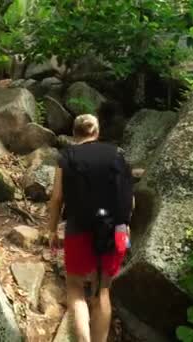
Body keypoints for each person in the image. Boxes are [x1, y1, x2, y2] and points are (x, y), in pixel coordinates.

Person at [48, 114, 133, 342]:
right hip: (116, 230)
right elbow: (130, 199)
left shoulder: (68, 156)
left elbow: (57, 198)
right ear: (97, 133)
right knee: (103, 291)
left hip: (79, 229)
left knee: (75, 287)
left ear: (74, 134)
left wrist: (51, 230)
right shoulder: (117, 154)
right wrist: (126, 226)